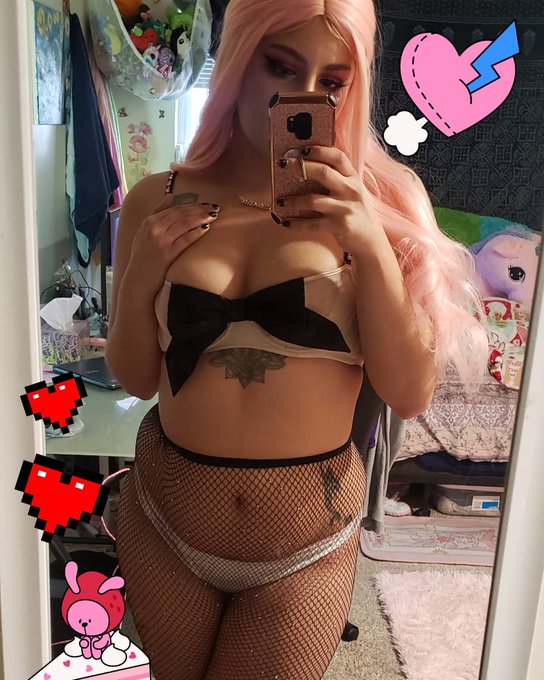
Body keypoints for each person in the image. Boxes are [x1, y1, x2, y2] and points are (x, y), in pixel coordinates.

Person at [105, 1, 489, 678]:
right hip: (165, 517)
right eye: (280, 66)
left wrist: (369, 244)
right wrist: (139, 280)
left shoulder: (383, 204)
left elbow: (407, 393)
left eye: (332, 80)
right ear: (236, 60)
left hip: (305, 543)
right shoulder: (156, 200)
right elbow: (136, 377)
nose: (302, 94)